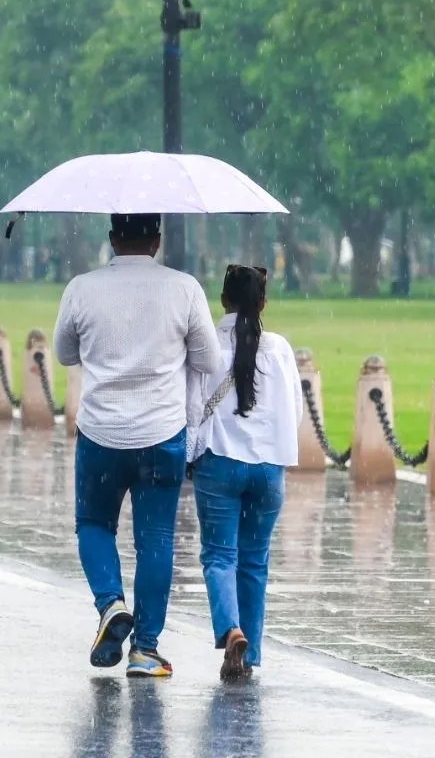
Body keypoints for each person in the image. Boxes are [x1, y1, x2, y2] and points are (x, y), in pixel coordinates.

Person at [54, 213, 222, 678]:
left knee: (93, 523)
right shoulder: (184, 288)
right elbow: (209, 359)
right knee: (156, 540)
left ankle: (110, 604)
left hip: (101, 434)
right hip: (160, 435)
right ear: (157, 240)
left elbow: (65, 353)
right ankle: (146, 649)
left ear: (112, 239)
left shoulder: (81, 288)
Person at [187, 265, 302, 680]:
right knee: (255, 562)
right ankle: (248, 655)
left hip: (220, 462)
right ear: (263, 302)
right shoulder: (281, 349)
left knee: (219, 555)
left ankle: (230, 628)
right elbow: (297, 409)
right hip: (269, 469)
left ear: (223, 300)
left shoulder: (206, 347)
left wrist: (188, 456)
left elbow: (192, 406)